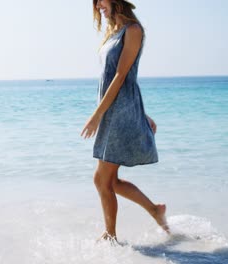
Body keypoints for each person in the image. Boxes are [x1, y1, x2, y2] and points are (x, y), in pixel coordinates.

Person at [80, 0, 170, 241]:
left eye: (102, 0)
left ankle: (110, 236)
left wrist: (96, 116)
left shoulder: (133, 30)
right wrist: (141, 114)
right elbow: (120, 79)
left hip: (117, 114)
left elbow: (121, 77)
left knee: (102, 179)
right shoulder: (114, 32)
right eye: (95, 2)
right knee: (110, 180)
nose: (98, 5)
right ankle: (154, 210)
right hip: (115, 111)